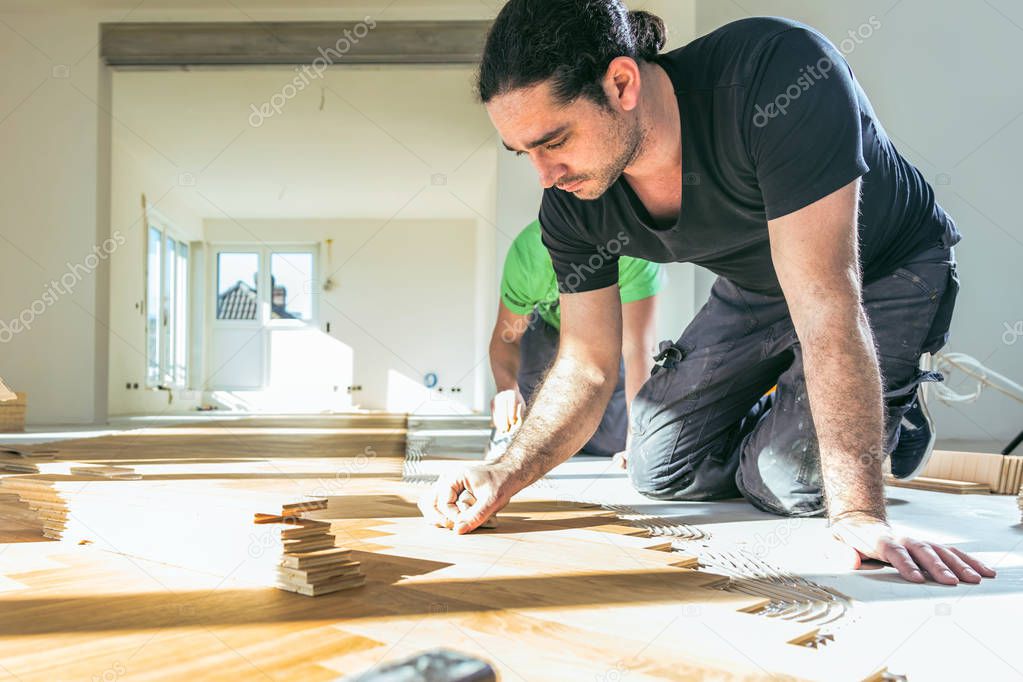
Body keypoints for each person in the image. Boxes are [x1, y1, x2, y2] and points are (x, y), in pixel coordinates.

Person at [420, 0, 995, 587]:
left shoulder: (778, 73)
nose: (546, 175)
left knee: (791, 480)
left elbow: (828, 310)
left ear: (621, 83)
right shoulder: (573, 205)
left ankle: (877, 416)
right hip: (759, 285)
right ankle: (808, 413)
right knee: (657, 467)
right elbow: (586, 365)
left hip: (880, 273)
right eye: (526, 154)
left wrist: (858, 512)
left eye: (555, 140)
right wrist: (503, 471)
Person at [489, 219, 663, 457]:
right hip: (546, 329)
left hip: (607, 333)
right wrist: (507, 389)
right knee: (536, 438)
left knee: (613, 441)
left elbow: (638, 350)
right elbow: (507, 338)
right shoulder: (528, 256)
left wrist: (636, 441)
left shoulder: (637, 254)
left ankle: (579, 434)